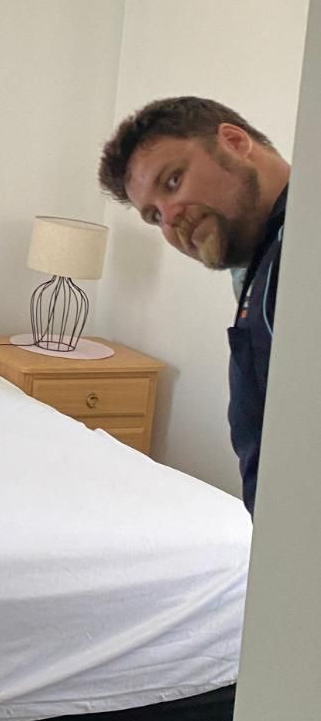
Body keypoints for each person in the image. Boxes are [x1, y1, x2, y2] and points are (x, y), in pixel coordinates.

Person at [98, 96, 290, 515]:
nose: (170, 220)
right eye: (153, 216)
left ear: (235, 141)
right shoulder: (261, 271)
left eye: (172, 181)